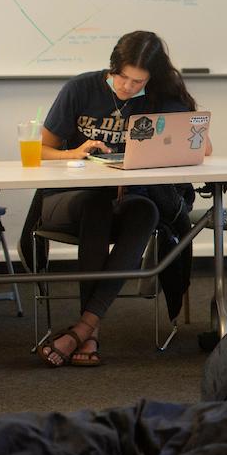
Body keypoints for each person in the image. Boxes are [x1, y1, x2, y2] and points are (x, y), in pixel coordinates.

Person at [37, 31, 209, 367]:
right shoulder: (81, 89)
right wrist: (74, 153)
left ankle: (84, 329)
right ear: (112, 66)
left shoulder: (158, 99)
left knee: (145, 210)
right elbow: (41, 150)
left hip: (126, 201)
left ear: (152, 78)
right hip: (67, 199)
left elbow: (202, 145)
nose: (127, 87)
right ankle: (89, 331)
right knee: (97, 204)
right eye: (121, 77)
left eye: (137, 81)